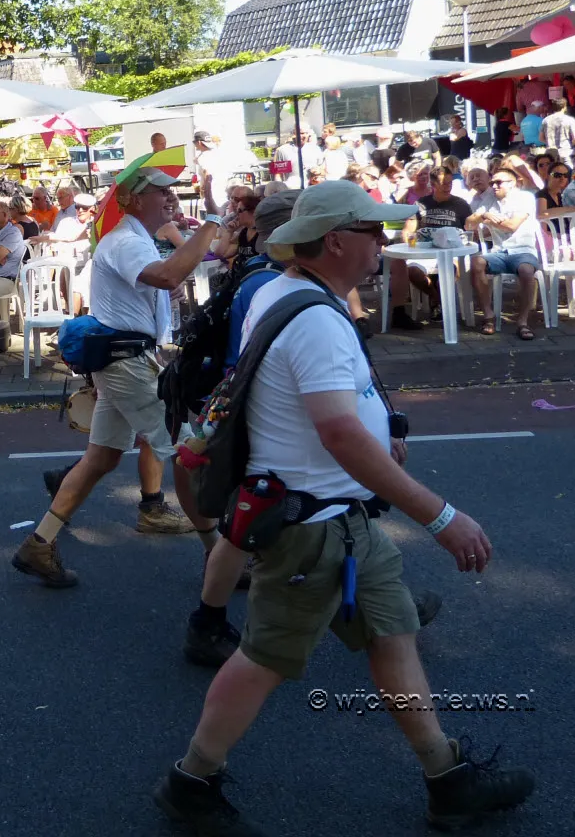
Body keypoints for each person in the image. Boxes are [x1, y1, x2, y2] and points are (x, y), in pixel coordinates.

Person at [154, 181, 533, 835]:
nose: (384, 242)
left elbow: (325, 414)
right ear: (336, 241)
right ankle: (191, 781)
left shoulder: (282, 290)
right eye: (374, 231)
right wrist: (441, 517)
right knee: (265, 658)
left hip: (335, 516)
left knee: (392, 632)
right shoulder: (317, 317)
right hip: (313, 525)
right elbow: (337, 432)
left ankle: (447, 777)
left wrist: (372, 427)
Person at [13, 167, 226, 587]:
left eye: (171, 191)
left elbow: (160, 280)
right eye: (160, 191)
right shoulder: (127, 241)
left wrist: (165, 290)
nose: (170, 198)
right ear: (132, 199)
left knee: (101, 458)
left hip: (119, 362)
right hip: (129, 364)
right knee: (189, 451)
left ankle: (39, 544)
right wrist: (214, 222)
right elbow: (166, 274)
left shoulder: (134, 240)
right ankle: (220, 554)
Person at [183, 190, 297, 667]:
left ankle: (386, 605)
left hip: (244, 405)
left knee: (253, 516)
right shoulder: (271, 283)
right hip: (264, 410)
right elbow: (257, 359)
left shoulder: (254, 275)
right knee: (256, 516)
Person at [466, 166, 543, 340]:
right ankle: (488, 316)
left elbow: (512, 225)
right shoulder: (489, 200)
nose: (494, 186)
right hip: (499, 251)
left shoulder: (525, 198)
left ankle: (523, 321)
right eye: (492, 182)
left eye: (498, 182)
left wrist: (490, 221)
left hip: (523, 249)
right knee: (476, 262)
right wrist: (484, 215)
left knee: (526, 270)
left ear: (513, 184)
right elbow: (468, 224)